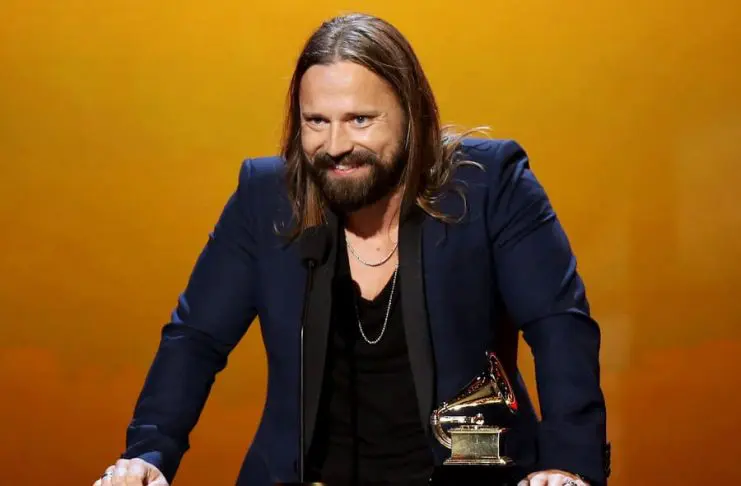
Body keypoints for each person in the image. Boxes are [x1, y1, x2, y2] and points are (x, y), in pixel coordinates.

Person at [93, 13, 610, 486]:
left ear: (411, 115)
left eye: (360, 119)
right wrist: (150, 454)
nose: (336, 145)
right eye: (316, 121)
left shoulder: (490, 183)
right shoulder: (265, 197)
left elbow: (559, 326)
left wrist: (568, 465)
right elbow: (196, 339)